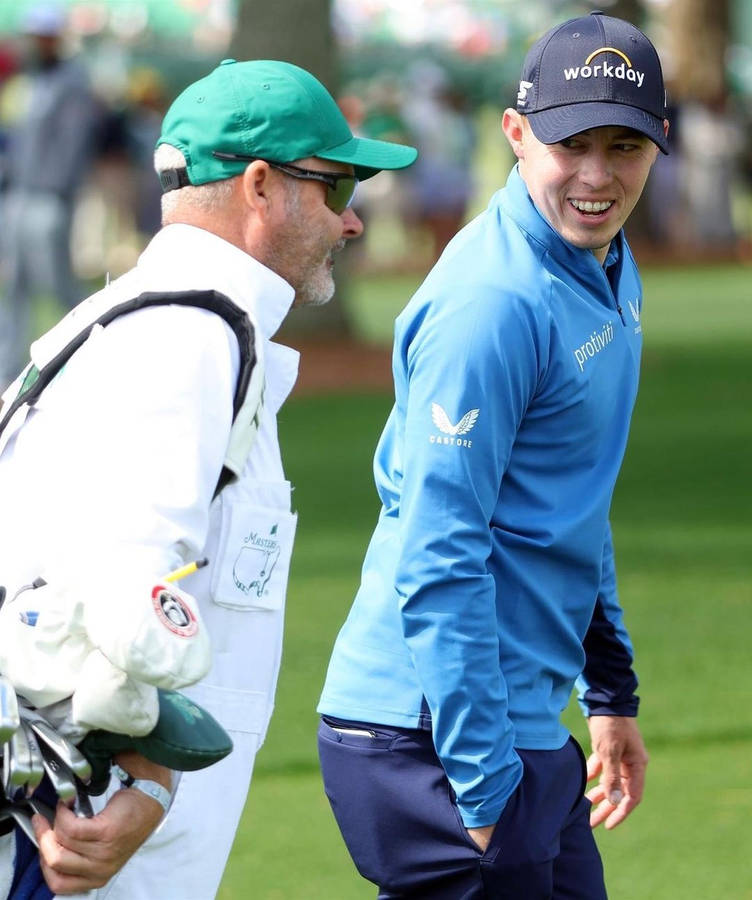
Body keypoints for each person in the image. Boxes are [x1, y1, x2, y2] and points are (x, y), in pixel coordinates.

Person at [0, 58, 416, 897]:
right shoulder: (190, 337)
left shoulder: (163, 320)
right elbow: (135, 588)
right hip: (84, 838)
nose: (352, 222)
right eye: (337, 188)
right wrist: (149, 787)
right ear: (260, 187)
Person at [318, 11, 668, 899]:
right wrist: (481, 793)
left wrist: (609, 694)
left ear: (658, 148)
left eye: (623, 146)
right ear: (515, 134)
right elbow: (442, 547)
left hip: (518, 719)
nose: (596, 176)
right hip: (427, 736)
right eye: (570, 143)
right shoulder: (492, 304)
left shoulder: (604, 262)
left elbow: (571, 506)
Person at [0, 2, 100, 388]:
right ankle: (8, 371)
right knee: (15, 286)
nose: (35, 42)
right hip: (18, 195)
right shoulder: (32, 79)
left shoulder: (73, 81)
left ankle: (89, 351)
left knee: (56, 284)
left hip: (48, 198)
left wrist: (56, 190)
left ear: (56, 37)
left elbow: (74, 144)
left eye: (42, 35)